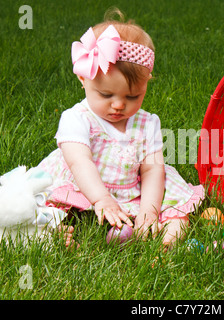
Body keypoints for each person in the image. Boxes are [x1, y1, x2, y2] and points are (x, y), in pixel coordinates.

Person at [37, 10, 205, 249]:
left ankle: (168, 242)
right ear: (83, 79)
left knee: (175, 206)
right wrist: (102, 199)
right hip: (82, 183)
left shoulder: (147, 123)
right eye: (106, 95)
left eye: (133, 96)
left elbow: (151, 170)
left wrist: (148, 211)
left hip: (132, 186)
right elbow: (79, 163)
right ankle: (55, 231)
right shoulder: (76, 119)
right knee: (42, 201)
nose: (118, 105)